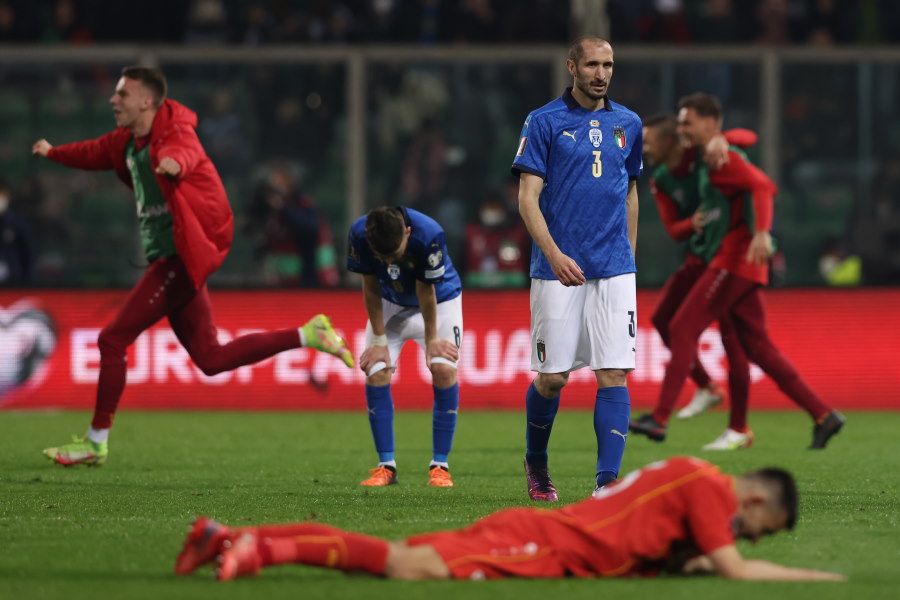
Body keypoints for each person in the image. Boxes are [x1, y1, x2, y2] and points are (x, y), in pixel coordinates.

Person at [32, 66, 354, 467]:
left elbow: (185, 154)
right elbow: (95, 151)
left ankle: (96, 442)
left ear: (147, 101)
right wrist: (54, 152)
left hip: (177, 260)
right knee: (211, 359)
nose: (114, 100)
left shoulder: (175, 137)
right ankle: (308, 334)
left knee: (112, 341)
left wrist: (174, 167)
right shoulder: (128, 142)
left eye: (123, 94)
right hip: (173, 259)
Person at [173, 456, 847, 583]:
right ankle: (259, 551)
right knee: (409, 568)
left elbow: (688, 552)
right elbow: (731, 568)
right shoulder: (710, 490)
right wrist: (814, 577)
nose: (739, 538)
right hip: (543, 544)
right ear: (754, 503)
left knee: (392, 553)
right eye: (751, 530)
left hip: (546, 532)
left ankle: (230, 536)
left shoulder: (689, 476)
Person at [630, 93, 846, 450]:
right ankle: (822, 415)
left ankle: (663, 417)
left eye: (687, 123)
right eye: (681, 124)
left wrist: (762, 232)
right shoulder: (688, 164)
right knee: (755, 348)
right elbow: (677, 226)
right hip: (720, 258)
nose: (683, 129)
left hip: (733, 260)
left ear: (707, 124)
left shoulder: (717, 156)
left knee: (684, 326)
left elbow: (763, 183)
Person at [511, 36, 641, 500]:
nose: (601, 73)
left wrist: (628, 254)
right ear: (572, 66)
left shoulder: (628, 123)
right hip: (557, 269)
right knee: (553, 379)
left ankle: (607, 482)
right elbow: (527, 200)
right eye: (591, 64)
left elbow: (630, 192)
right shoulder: (543, 121)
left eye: (608, 64)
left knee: (614, 372)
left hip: (614, 268)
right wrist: (553, 254)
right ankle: (537, 462)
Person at [642, 114, 760, 450]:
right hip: (701, 256)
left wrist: (721, 138)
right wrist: (693, 222)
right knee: (664, 319)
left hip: (728, 258)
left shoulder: (700, 154)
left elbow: (748, 136)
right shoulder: (661, 179)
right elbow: (673, 230)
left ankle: (738, 426)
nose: (644, 147)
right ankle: (708, 388)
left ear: (668, 141)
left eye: (649, 140)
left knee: (735, 341)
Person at [347, 206, 462, 487]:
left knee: (443, 370)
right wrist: (379, 340)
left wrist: (433, 340)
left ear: (407, 232)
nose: (388, 261)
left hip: (441, 301)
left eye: (393, 253)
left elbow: (426, 289)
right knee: (376, 370)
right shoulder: (359, 233)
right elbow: (370, 286)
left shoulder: (429, 233)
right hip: (389, 302)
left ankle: (440, 466)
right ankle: (386, 466)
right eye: (382, 256)